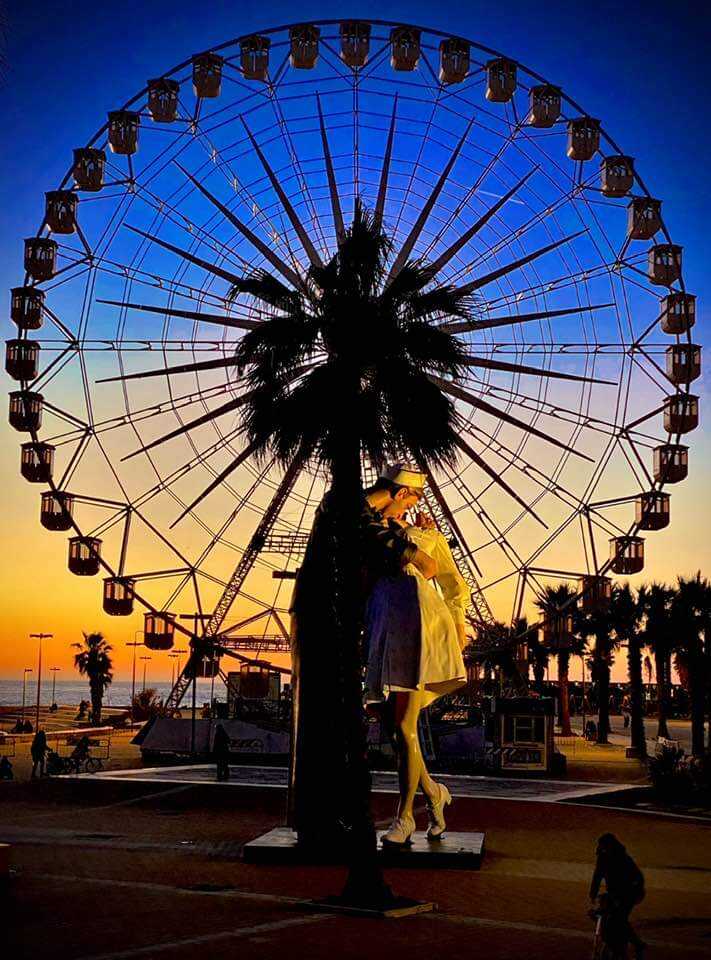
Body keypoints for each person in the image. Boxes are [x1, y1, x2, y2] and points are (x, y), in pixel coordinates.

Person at [288, 462, 436, 849]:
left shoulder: (365, 515)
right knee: (321, 714)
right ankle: (319, 816)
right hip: (319, 615)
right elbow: (371, 537)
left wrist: (411, 535)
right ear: (401, 493)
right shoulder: (347, 504)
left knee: (340, 717)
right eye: (405, 507)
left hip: (336, 618)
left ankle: (329, 814)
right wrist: (416, 553)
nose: (402, 516)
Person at [364, 465, 468, 846]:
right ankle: (435, 795)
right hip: (383, 624)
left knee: (404, 727)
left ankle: (405, 817)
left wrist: (458, 628)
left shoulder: (427, 535)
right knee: (397, 729)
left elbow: (454, 585)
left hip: (417, 624)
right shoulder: (371, 530)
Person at [590, 833, 646, 958]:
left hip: (629, 893)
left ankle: (635, 944)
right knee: (613, 918)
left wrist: (624, 896)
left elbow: (637, 879)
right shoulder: (603, 857)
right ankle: (631, 944)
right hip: (615, 893)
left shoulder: (623, 859)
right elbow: (597, 876)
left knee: (619, 919)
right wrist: (593, 893)